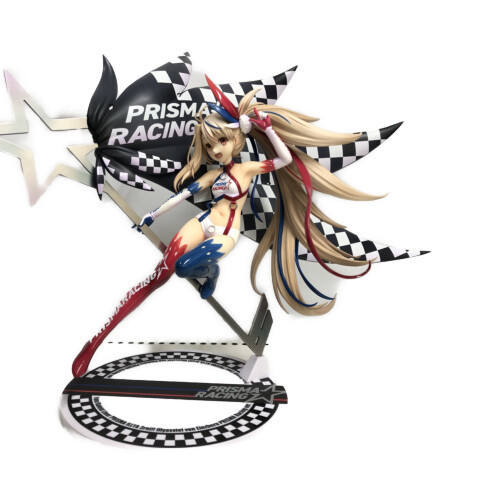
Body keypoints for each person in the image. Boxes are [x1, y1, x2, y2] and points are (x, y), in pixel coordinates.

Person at [72, 76, 380, 377]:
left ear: (235, 139)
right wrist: (152, 215)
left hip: (226, 234)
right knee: (160, 274)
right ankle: (95, 343)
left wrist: (268, 130)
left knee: (183, 268)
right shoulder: (211, 176)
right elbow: (182, 196)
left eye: (221, 141)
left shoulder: (246, 170)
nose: (216, 149)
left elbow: (284, 160)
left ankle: (211, 272)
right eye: (209, 144)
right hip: (203, 222)